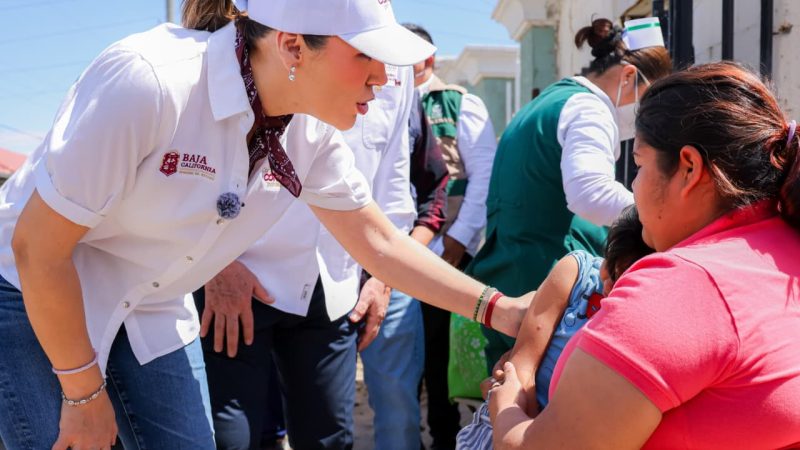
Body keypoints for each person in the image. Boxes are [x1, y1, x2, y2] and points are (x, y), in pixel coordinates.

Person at [0, 1, 532, 448]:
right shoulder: (152, 82)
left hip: (149, 304)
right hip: (34, 295)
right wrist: (82, 393)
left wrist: (502, 309)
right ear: (293, 46)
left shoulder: (309, 133)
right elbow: (37, 249)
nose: (384, 76)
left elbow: (377, 243)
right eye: (365, 55)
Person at [488, 61, 800, 448]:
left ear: (688, 167)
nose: (633, 186)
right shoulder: (785, 250)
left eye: (638, 164)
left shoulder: (680, 288)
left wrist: (505, 402)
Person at [195, 62, 425, 449]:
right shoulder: (268, 37)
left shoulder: (396, 68)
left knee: (330, 440)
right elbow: (197, 166)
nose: (378, 81)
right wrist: (214, 266)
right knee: (233, 439)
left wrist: (382, 279)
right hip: (241, 280)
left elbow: (394, 182)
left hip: (334, 286)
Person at [465, 17, 672, 371]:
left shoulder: (548, 101)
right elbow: (590, 193)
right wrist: (663, 217)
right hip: (545, 284)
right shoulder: (589, 109)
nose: (646, 115)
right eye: (647, 98)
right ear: (627, 77)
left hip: (510, 273)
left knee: (506, 395)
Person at [454, 206, 652, 449]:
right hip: (511, 426)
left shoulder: (649, 325)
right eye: (610, 263)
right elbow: (520, 370)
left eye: (622, 277)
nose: (605, 279)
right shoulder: (578, 274)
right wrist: (529, 433)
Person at [404, 23, 498, 449]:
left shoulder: (460, 104)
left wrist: (457, 241)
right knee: (405, 365)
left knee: (442, 365)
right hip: (390, 256)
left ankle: (446, 439)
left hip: (445, 256)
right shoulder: (375, 98)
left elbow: (483, 179)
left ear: (429, 58)